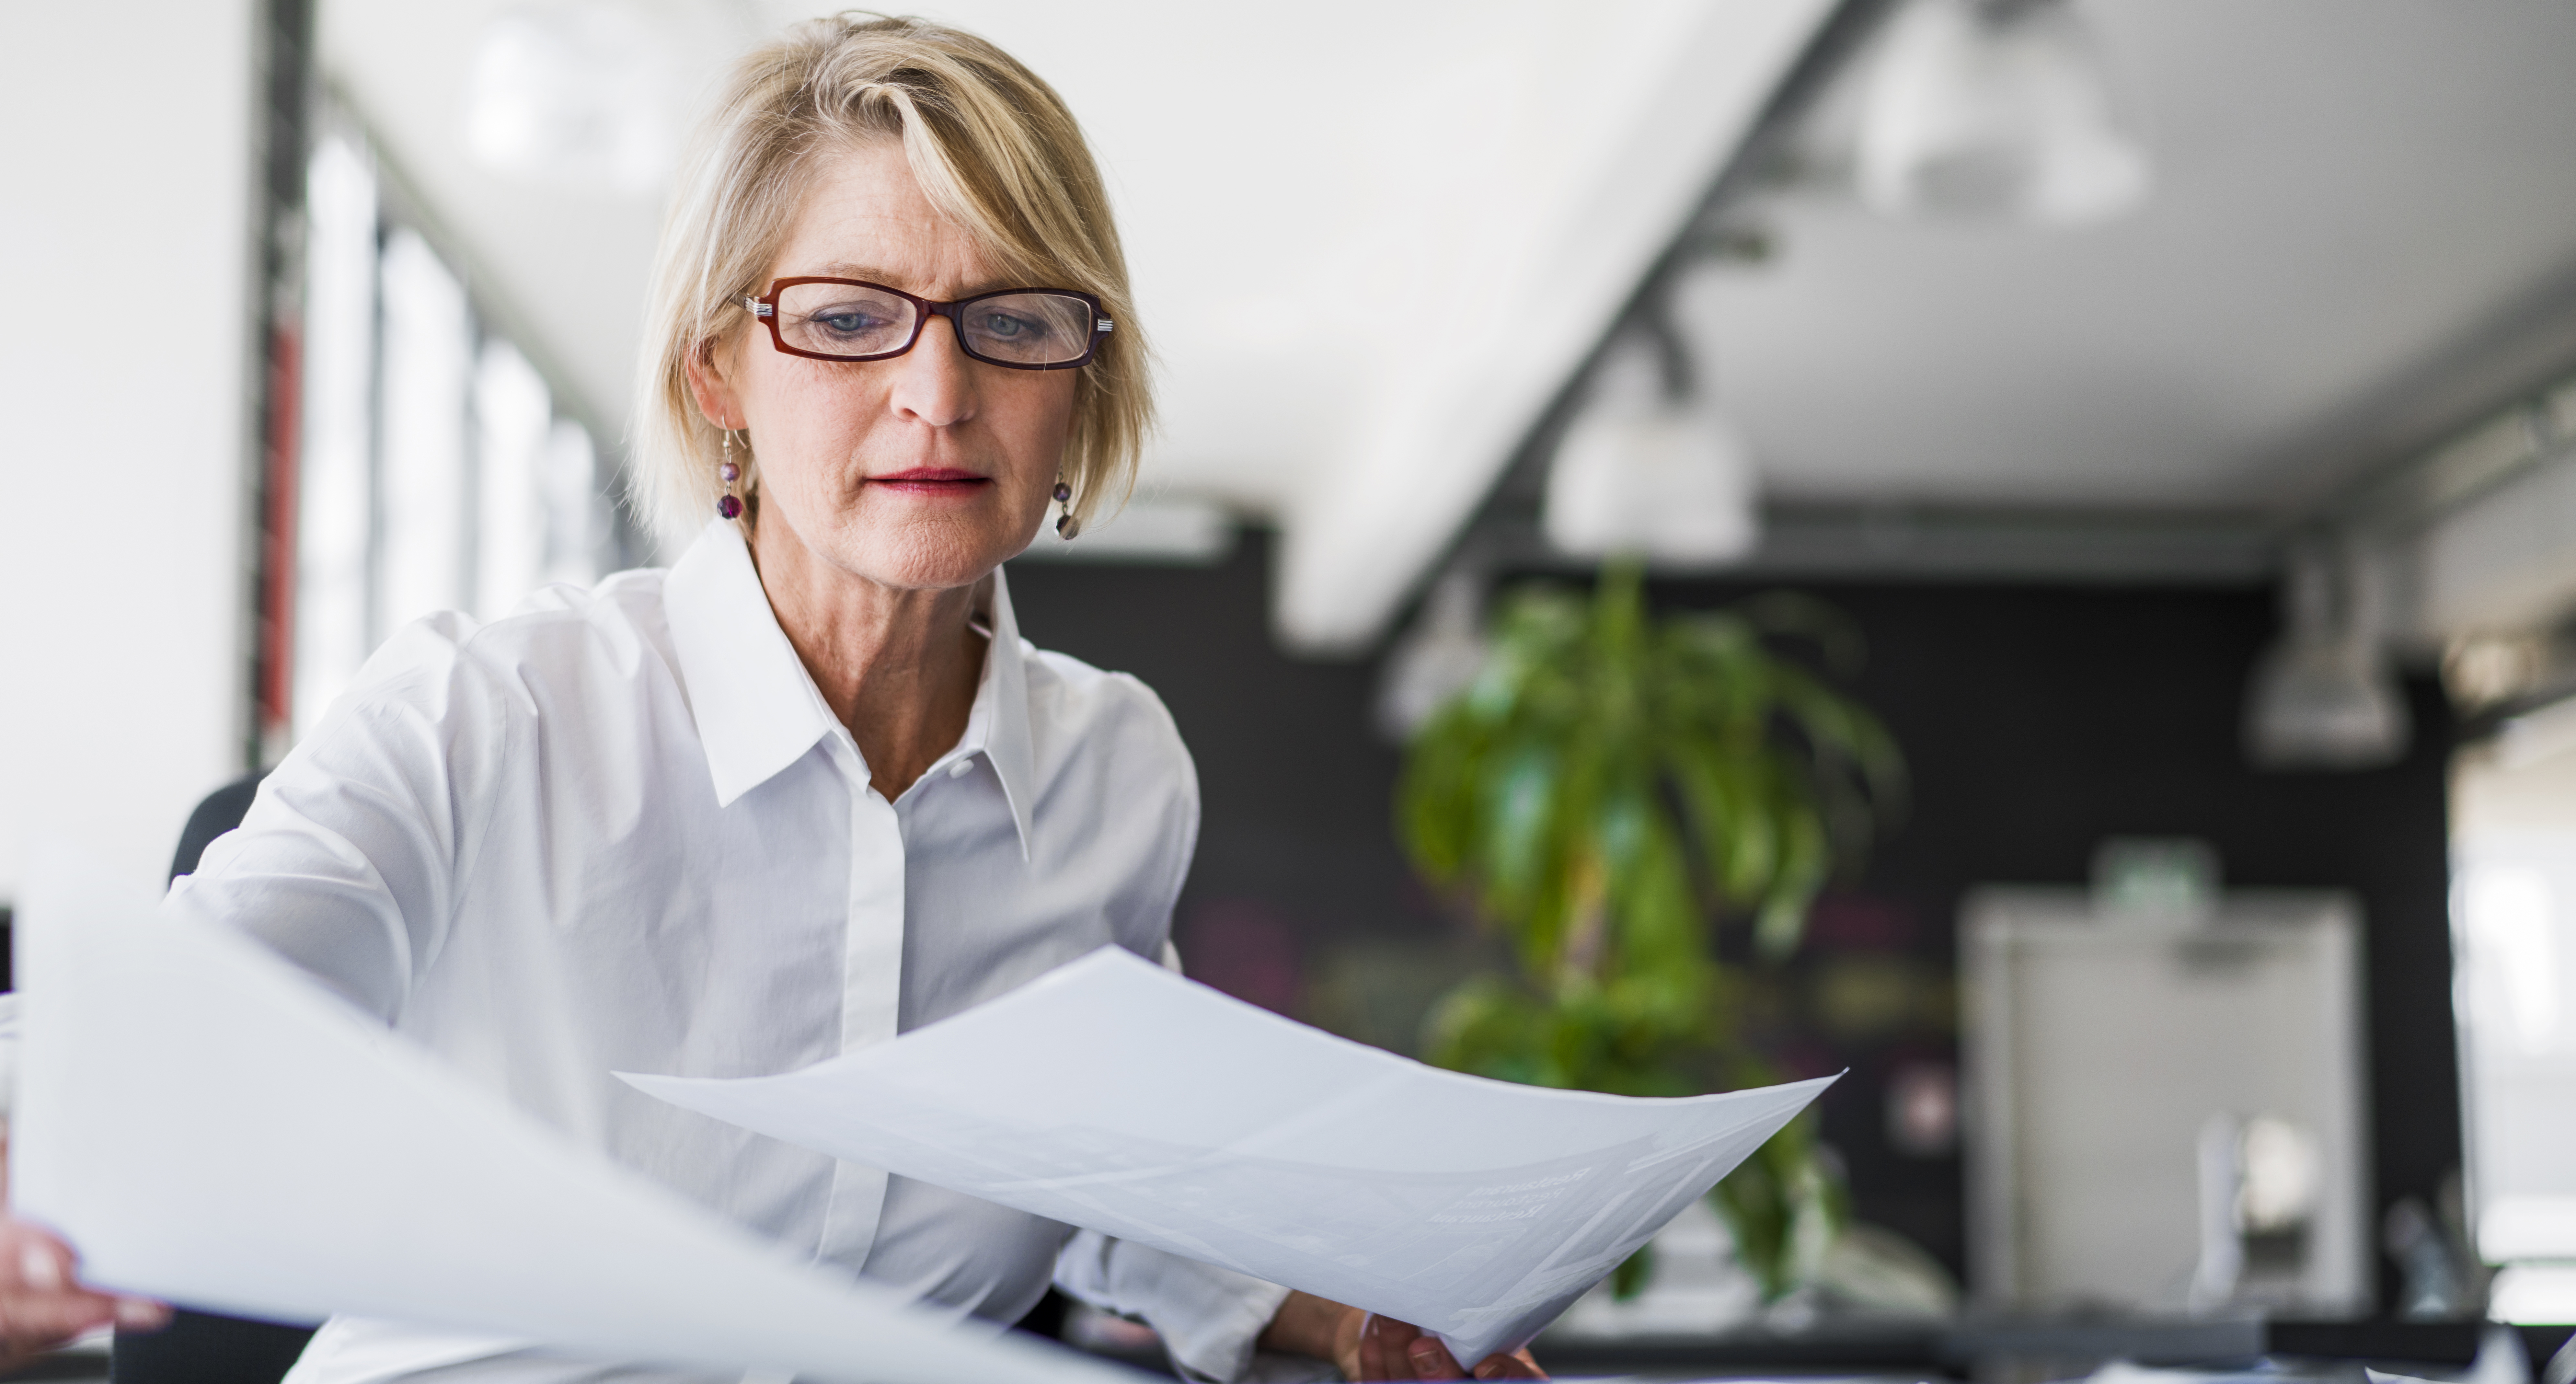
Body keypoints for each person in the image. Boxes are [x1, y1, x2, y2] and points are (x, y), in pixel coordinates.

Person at [0, 16, 1546, 1384]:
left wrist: (1335, 1317)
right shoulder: (490, 718)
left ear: (1080, 380)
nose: (937, 396)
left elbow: (1092, 1173)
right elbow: (143, 1034)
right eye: (850, 316)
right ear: (717, 377)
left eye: (1011, 322)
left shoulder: (1113, 775)